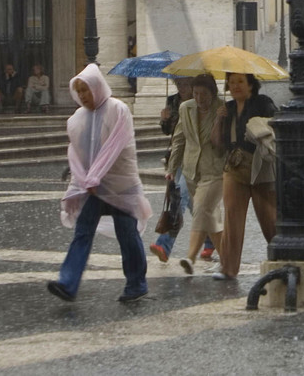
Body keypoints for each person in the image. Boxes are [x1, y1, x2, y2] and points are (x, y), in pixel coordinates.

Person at [48, 65, 152, 304]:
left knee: (127, 234)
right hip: (92, 188)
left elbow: (115, 147)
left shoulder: (119, 109)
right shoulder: (77, 119)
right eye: (79, 91)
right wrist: (80, 184)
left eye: (86, 89)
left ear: (97, 87)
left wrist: (94, 177)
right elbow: (76, 154)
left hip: (120, 185)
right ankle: (68, 282)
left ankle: (137, 283)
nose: (84, 95)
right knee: (82, 232)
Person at [215, 71, 278, 280]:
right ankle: (228, 267)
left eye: (240, 81)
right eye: (232, 82)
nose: (235, 86)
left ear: (251, 84)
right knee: (232, 218)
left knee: (269, 216)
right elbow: (218, 144)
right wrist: (218, 119)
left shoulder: (263, 103)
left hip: (259, 168)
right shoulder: (228, 109)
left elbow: (276, 128)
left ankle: (282, 257)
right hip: (234, 167)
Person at [166, 74, 226, 276]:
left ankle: (190, 257)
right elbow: (179, 139)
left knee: (201, 209)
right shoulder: (186, 108)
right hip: (192, 170)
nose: (199, 99)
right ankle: (227, 260)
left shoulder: (224, 108)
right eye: (196, 94)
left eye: (203, 94)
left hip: (215, 170)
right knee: (210, 215)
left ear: (213, 93)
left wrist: (220, 118)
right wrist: (172, 169)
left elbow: (221, 145)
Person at [152, 78, 211, 264]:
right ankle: (211, 238)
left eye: (184, 85)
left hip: (197, 160)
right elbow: (171, 134)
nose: (181, 88)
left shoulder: (200, 103)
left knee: (181, 196)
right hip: (178, 157)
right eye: (178, 85)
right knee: (193, 203)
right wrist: (165, 120)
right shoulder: (173, 101)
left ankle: (164, 244)